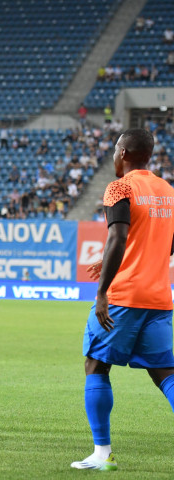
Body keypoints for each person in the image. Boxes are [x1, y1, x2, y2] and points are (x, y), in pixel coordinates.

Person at [71, 129, 174, 471]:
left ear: (125, 152)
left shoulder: (120, 187)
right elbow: (165, 244)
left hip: (124, 296)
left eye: (115, 150)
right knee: (165, 374)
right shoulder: (167, 191)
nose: (113, 156)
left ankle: (102, 454)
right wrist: (136, 257)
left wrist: (101, 292)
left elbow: (118, 236)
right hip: (159, 297)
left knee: (96, 364)